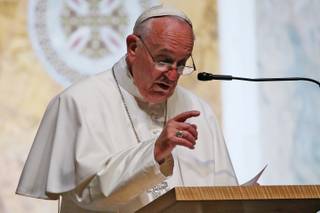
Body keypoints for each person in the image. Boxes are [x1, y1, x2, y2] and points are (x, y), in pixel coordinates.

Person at [16, 5, 238, 213]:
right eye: (163, 60)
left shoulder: (199, 110)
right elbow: (89, 193)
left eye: (181, 64)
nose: (172, 76)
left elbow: (225, 195)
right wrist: (155, 152)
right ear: (133, 47)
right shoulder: (78, 102)